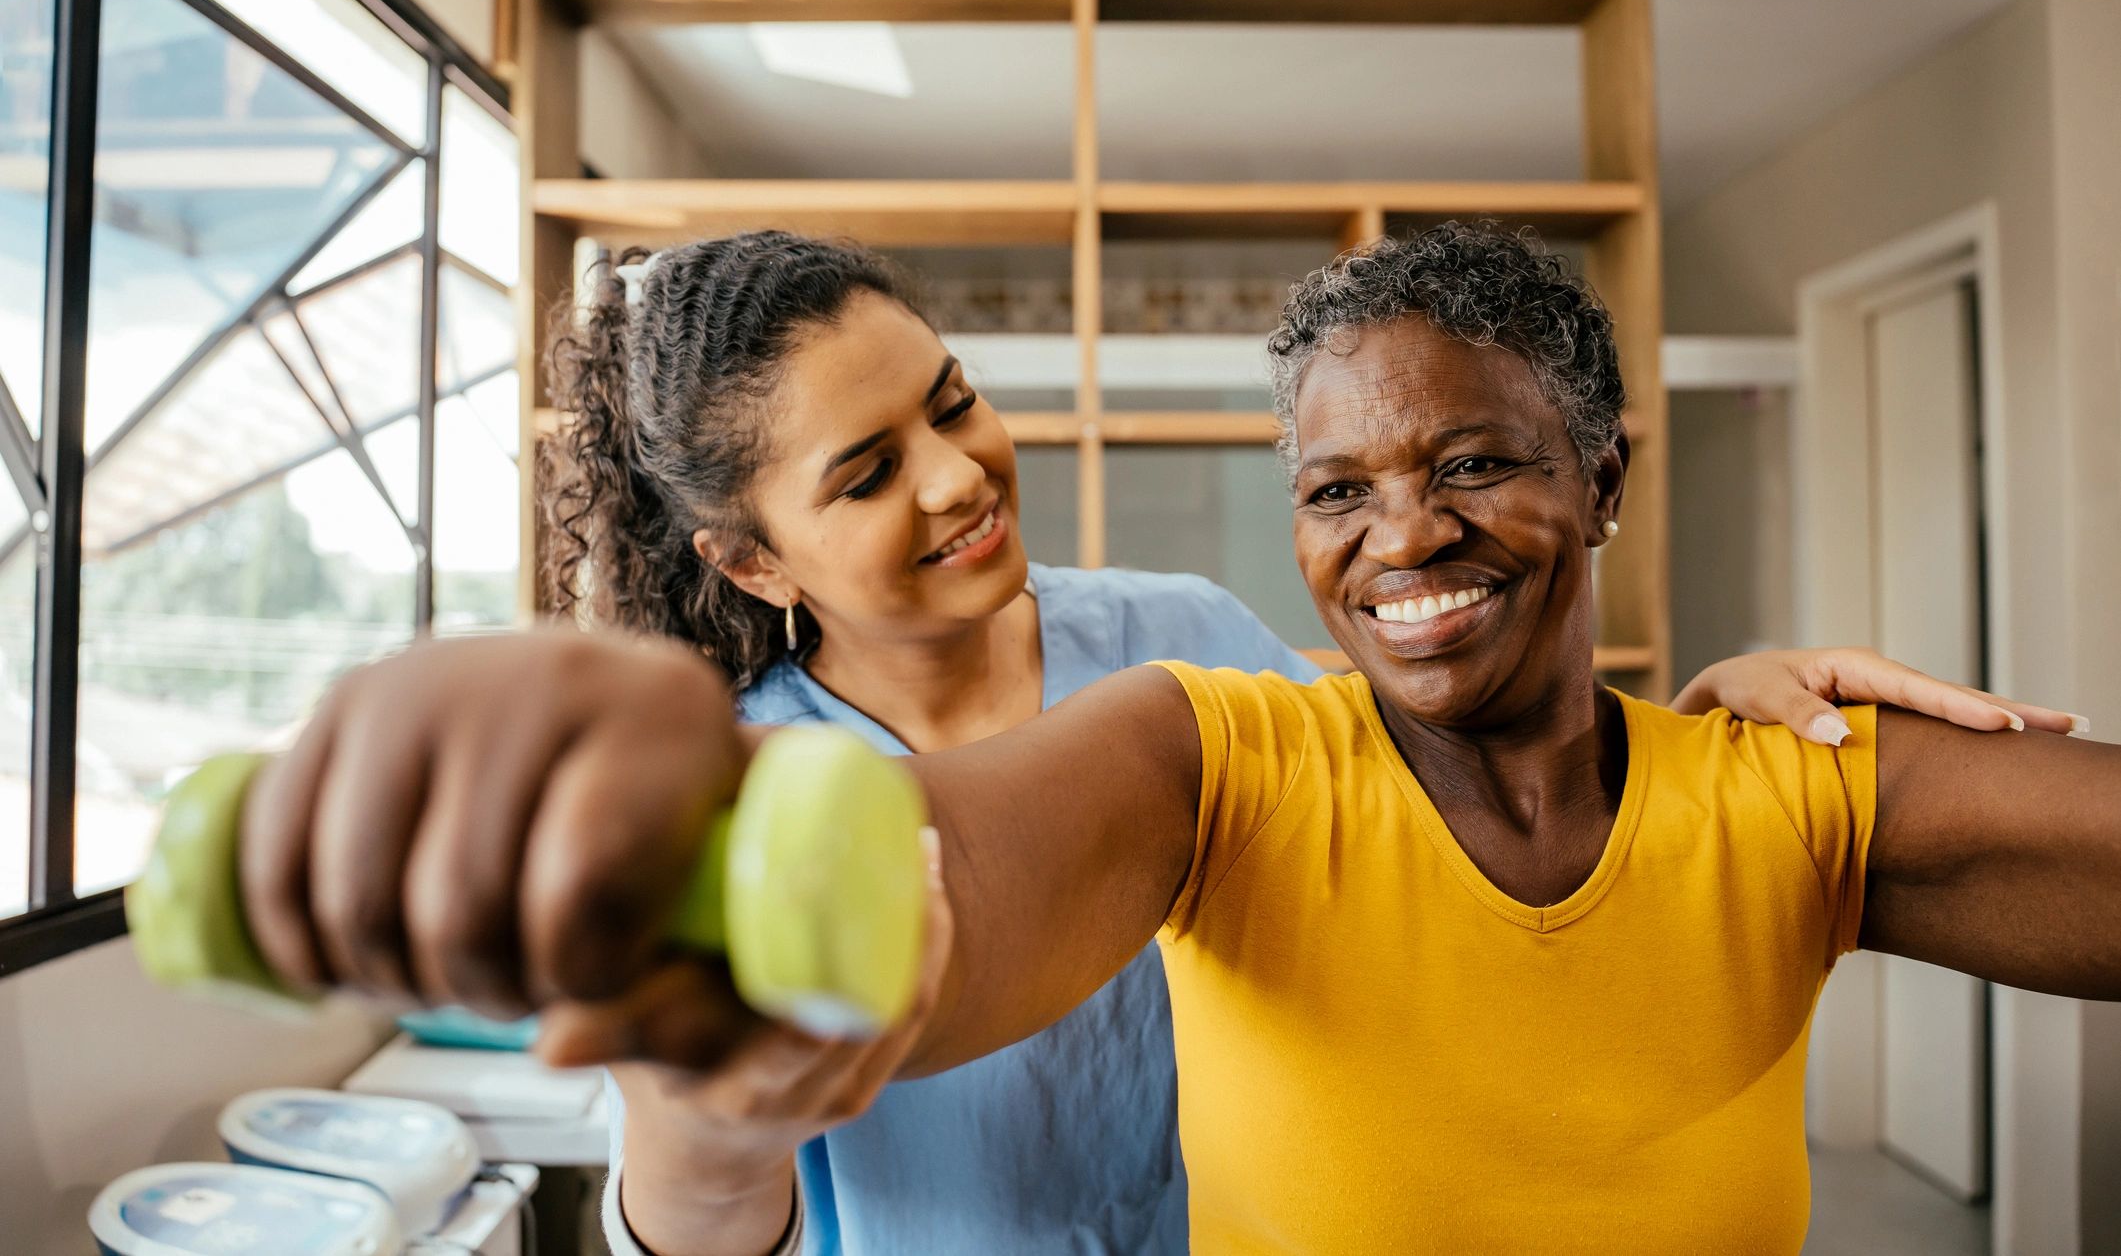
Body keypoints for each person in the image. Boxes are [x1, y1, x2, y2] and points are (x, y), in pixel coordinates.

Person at [235, 226, 2107, 1255]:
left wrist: (1738, 701)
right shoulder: (807, 768)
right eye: (870, 470)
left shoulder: (1189, 652)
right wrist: (676, 919)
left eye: (953, 404)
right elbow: (904, 905)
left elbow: (1437, 772)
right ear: (746, 555)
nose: (962, 475)